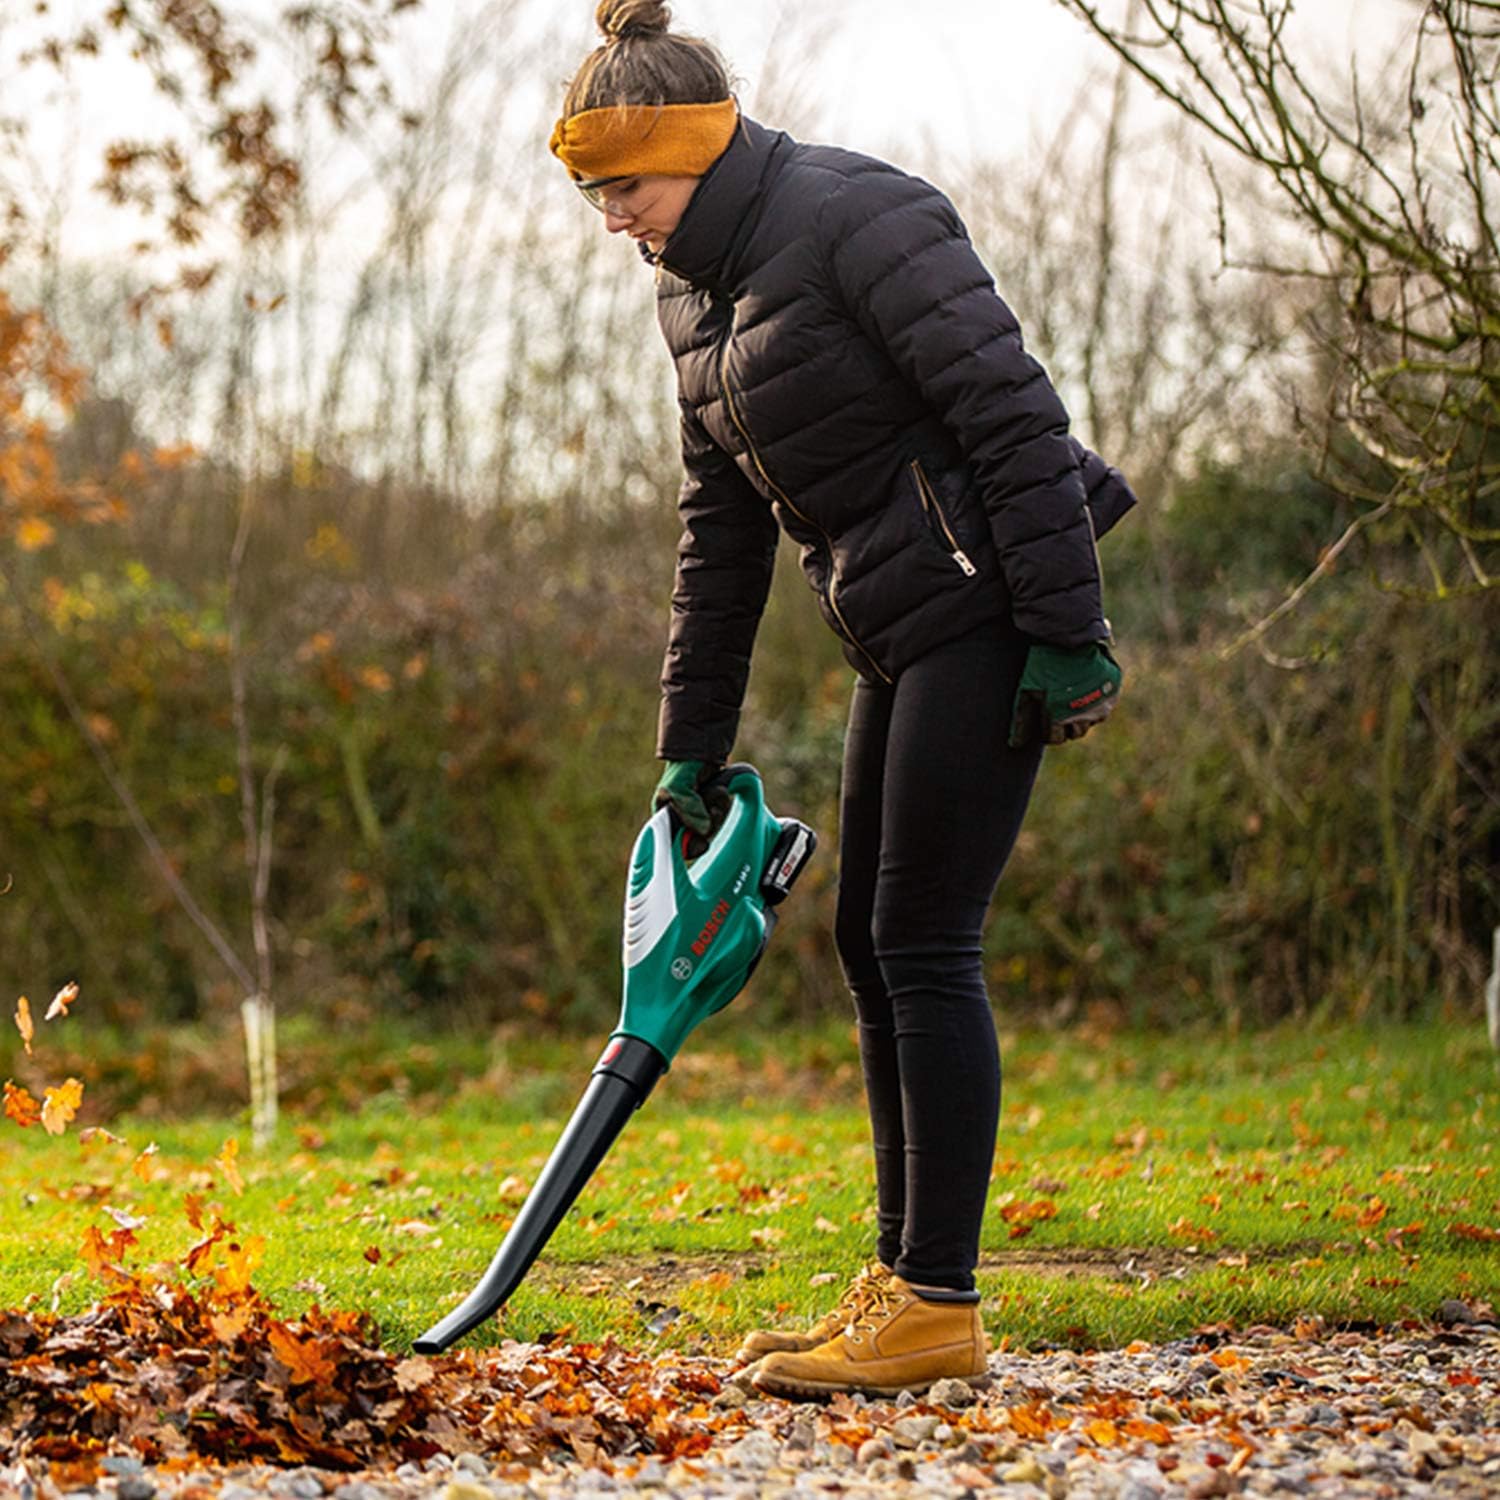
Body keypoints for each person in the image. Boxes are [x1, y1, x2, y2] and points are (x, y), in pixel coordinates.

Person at [551, 0, 1135, 1400]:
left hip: (992, 604)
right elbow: (723, 529)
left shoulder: (855, 214)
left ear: (690, 149)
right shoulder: (689, 288)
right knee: (875, 947)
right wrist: (689, 748)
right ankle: (904, 1284)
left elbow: (1010, 413)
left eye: (622, 188)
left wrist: (1068, 633)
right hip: (901, 625)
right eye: (592, 195)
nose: (611, 220)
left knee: (924, 940)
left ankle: (937, 1299)